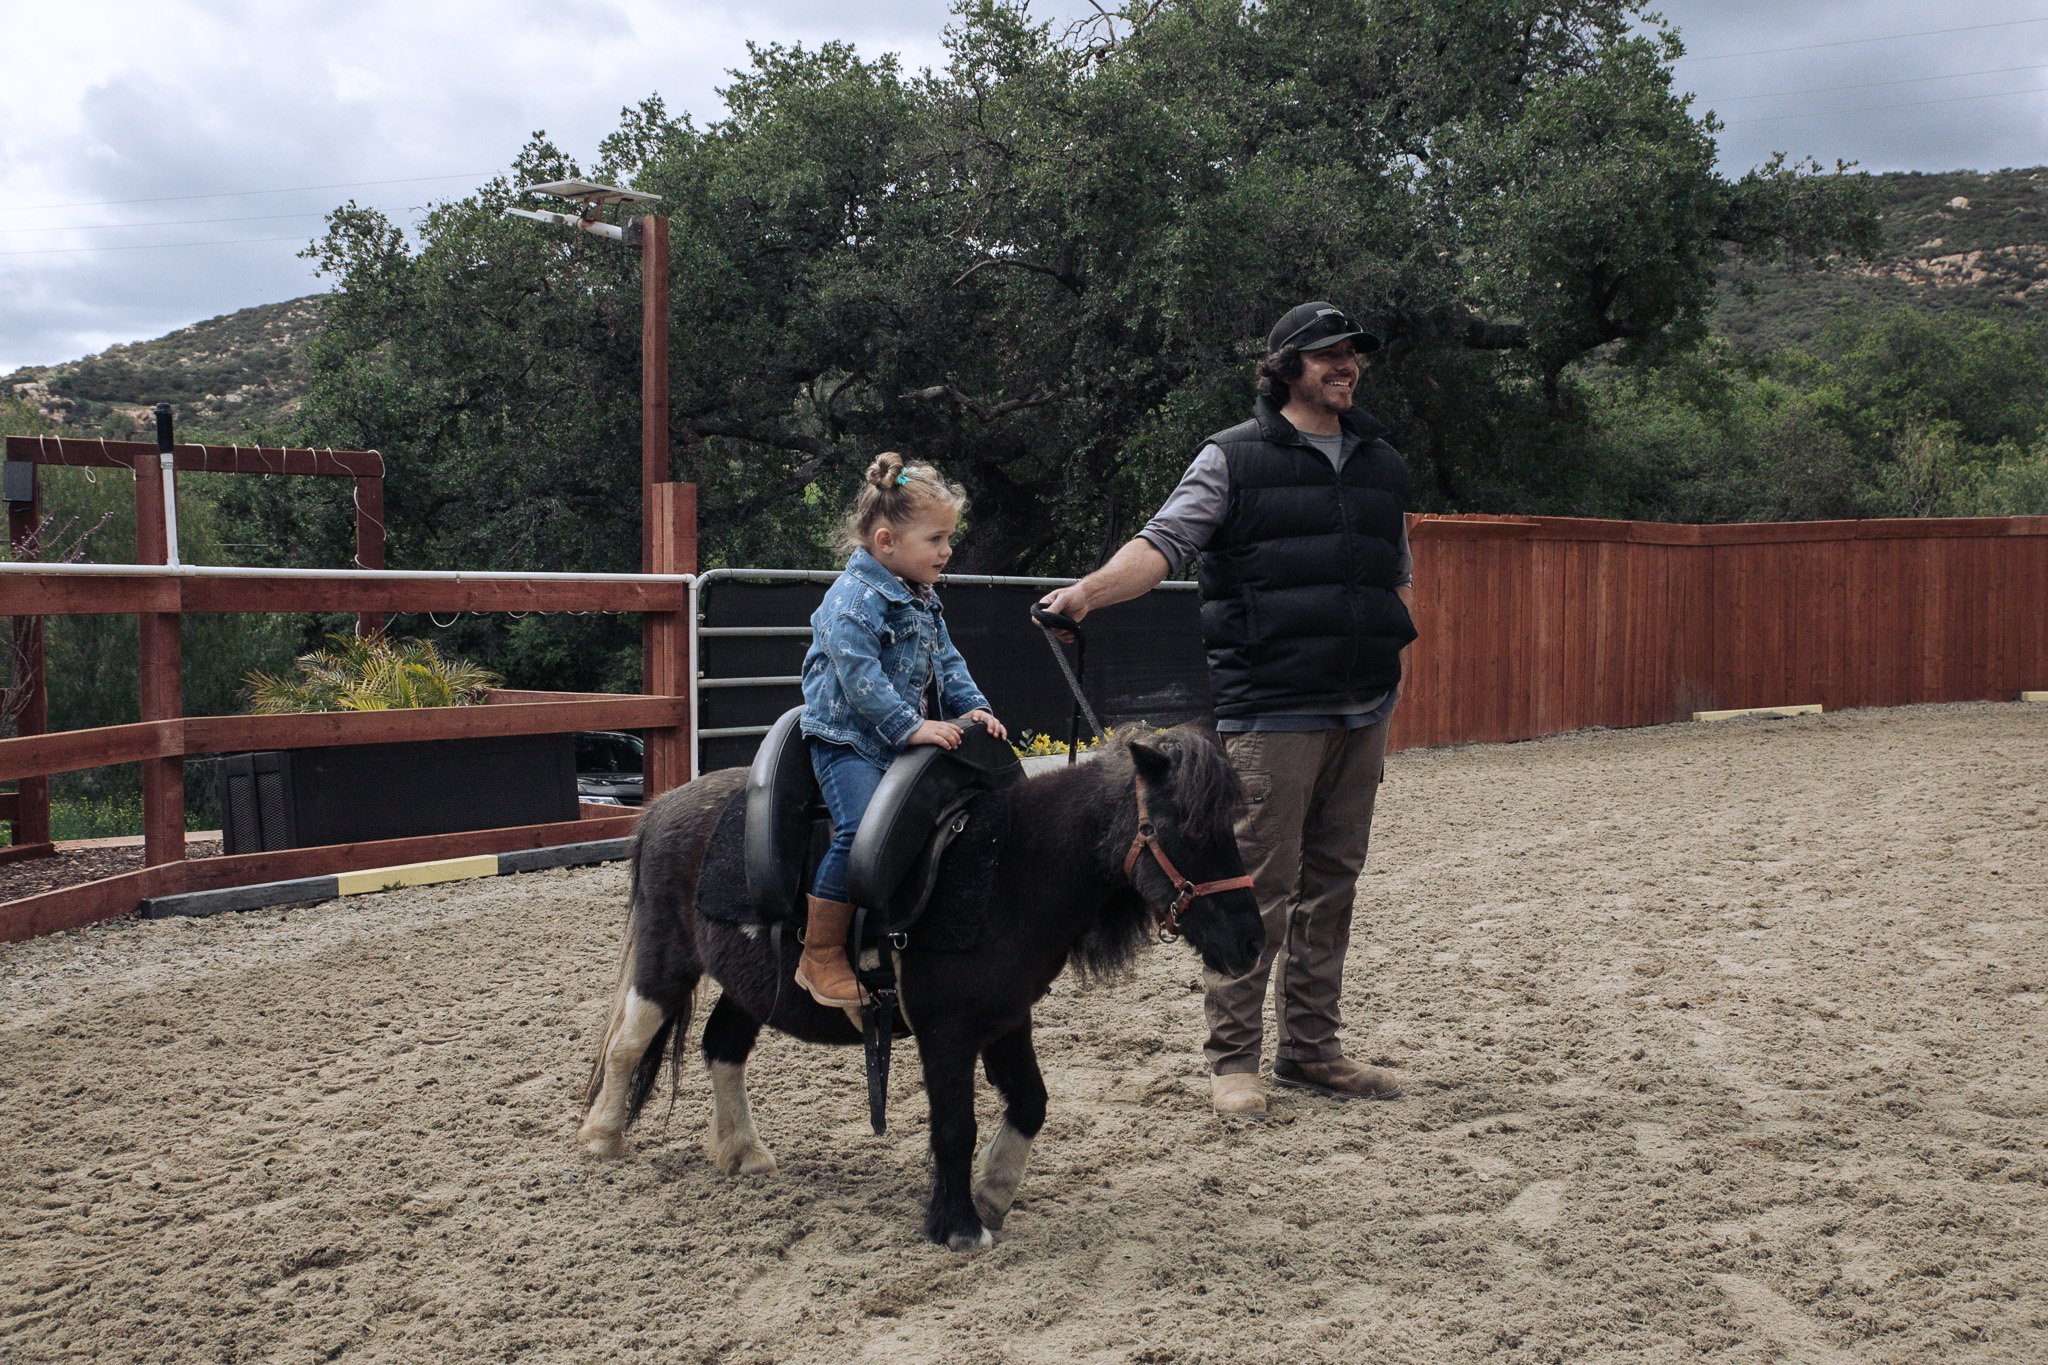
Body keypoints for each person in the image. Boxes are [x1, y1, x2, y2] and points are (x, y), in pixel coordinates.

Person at [1037, 301, 1416, 1117]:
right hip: (1274, 706)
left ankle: (1313, 1050)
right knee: (1260, 884)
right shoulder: (1231, 460)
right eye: (1328, 355)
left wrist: (1393, 665)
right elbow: (1162, 544)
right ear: (1286, 367)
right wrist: (1085, 594)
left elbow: (1395, 572)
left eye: (1353, 355)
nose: (1346, 366)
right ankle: (1233, 1059)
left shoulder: (1382, 460)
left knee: (1334, 884)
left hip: (1365, 703)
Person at [796, 452, 1008, 1007]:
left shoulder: (922, 599)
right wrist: (910, 727)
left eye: (949, 539)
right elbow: (858, 675)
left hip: (898, 737)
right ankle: (819, 954)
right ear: (886, 541)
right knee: (862, 827)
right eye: (936, 540)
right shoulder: (853, 600)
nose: (947, 551)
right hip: (849, 740)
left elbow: (949, 663)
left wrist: (975, 712)